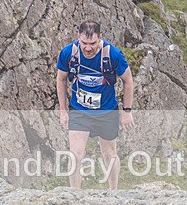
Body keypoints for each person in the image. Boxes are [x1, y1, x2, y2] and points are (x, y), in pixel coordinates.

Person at [56, 20, 135, 189]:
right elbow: (61, 79)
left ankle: (113, 190)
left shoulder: (112, 54)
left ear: (100, 37)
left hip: (107, 112)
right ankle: (74, 195)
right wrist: (63, 111)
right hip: (79, 110)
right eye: (84, 43)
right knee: (75, 155)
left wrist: (127, 111)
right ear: (78, 37)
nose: (88, 48)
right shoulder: (68, 53)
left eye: (92, 43)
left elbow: (128, 81)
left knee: (109, 154)